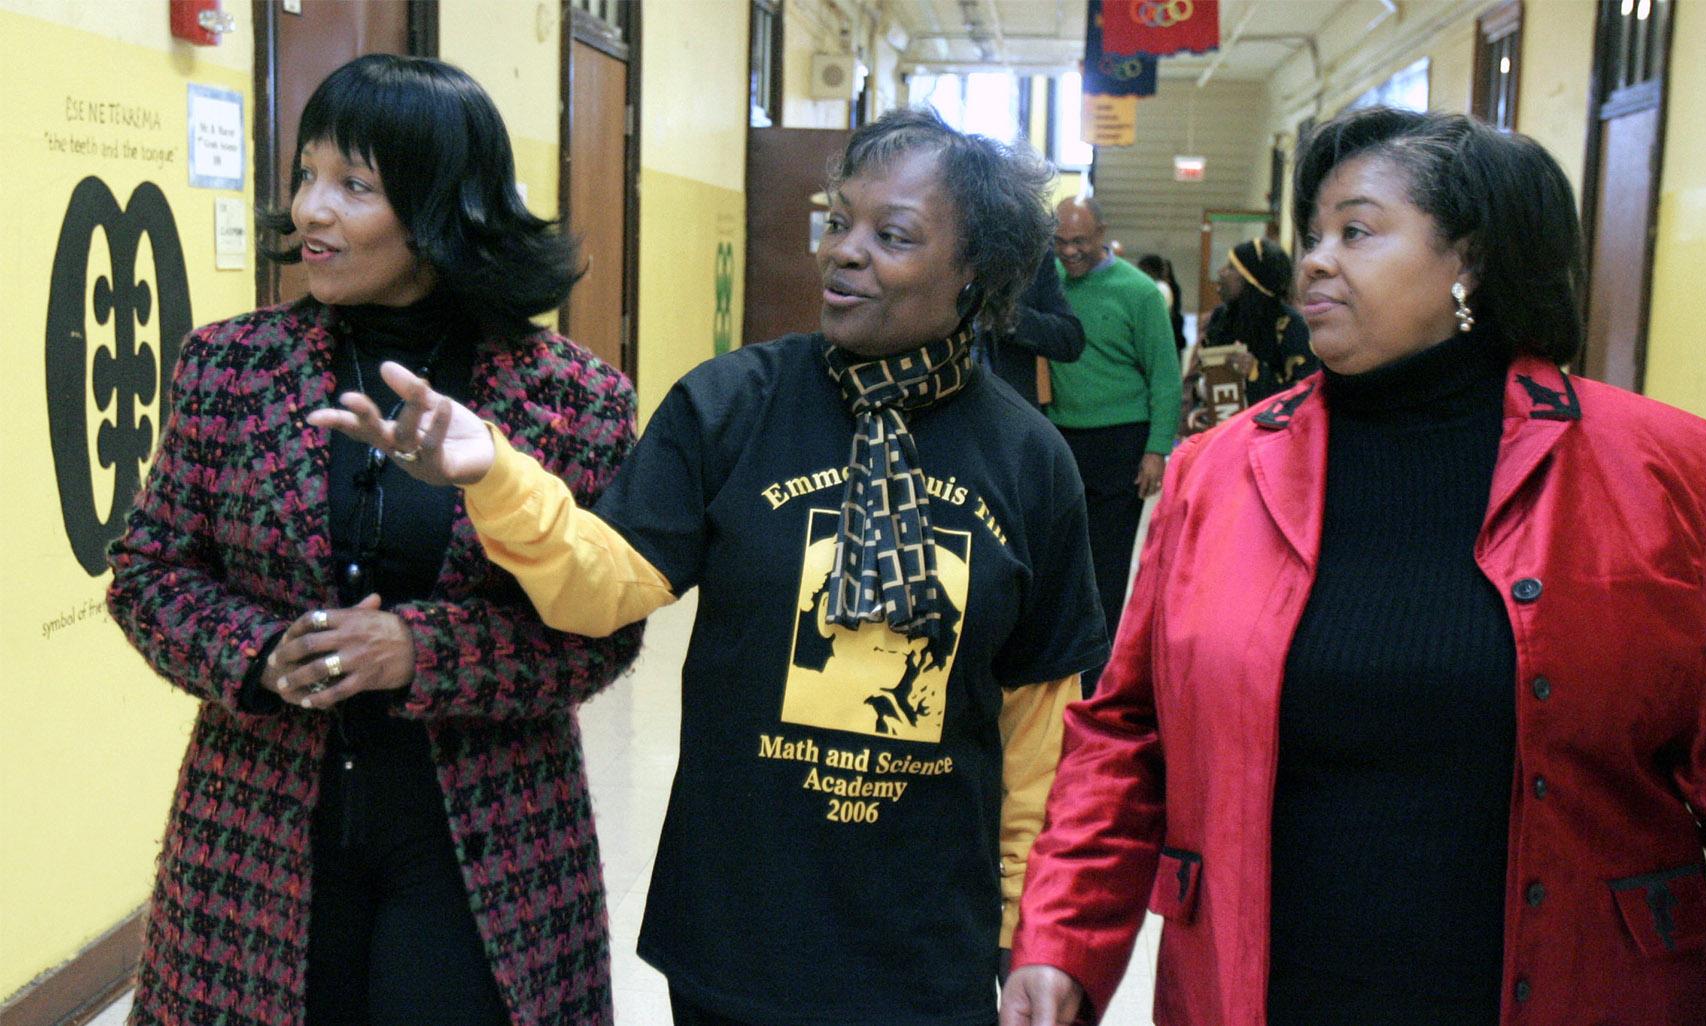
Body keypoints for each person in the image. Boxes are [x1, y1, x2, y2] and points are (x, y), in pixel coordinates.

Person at [1004, 107, 1706, 1026]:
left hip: (1579, 989)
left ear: (1466, 259)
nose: (1314, 260)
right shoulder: (1219, 476)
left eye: (1355, 231)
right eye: (1312, 234)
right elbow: (1126, 735)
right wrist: (1063, 940)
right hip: (1273, 989)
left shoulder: (1657, 470)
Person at [313, 108, 1108, 1026]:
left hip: (925, 936)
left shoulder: (1029, 461)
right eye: (838, 220)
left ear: (976, 273)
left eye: (890, 236)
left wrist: (1029, 931)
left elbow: (1040, 730)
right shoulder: (733, 405)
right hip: (740, 921)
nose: (843, 252)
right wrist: (494, 470)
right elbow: (597, 590)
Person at [106, 55, 643, 1026]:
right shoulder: (230, 366)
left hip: (489, 836)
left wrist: (419, 651)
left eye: (353, 185)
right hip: (257, 823)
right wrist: (261, 652)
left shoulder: (571, 397)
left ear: (443, 207)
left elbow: (603, 633)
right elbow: (149, 572)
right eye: (307, 174)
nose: (312, 208)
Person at [1048, 197, 1181, 695]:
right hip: (1062, 440)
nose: (1070, 252)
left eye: (1080, 241)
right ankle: (1058, 667)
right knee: (1059, 561)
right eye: (1060, 242)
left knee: (1104, 567)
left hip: (1120, 443)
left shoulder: (1139, 292)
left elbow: (1165, 375)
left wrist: (1156, 449)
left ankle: (1094, 682)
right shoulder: (1049, 286)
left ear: (1102, 232)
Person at [1197, 237, 1315, 409]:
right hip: (1227, 427)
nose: (1221, 272)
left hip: (1272, 431)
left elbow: (1304, 396)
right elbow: (1202, 377)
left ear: (1252, 280)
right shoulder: (1220, 317)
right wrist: (1202, 391)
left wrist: (1255, 372)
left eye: (1231, 267)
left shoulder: (1290, 326)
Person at [974, 250, 1087, 409]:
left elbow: (1070, 339)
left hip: (1010, 411)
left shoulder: (1030, 250)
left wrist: (1007, 317)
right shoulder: (937, 243)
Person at [1135, 253, 1187, 351]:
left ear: (1149, 270)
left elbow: (1153, 315)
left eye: (1141, 270)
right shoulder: (1153, 287)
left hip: (1155, 337)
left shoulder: (1160, 288)